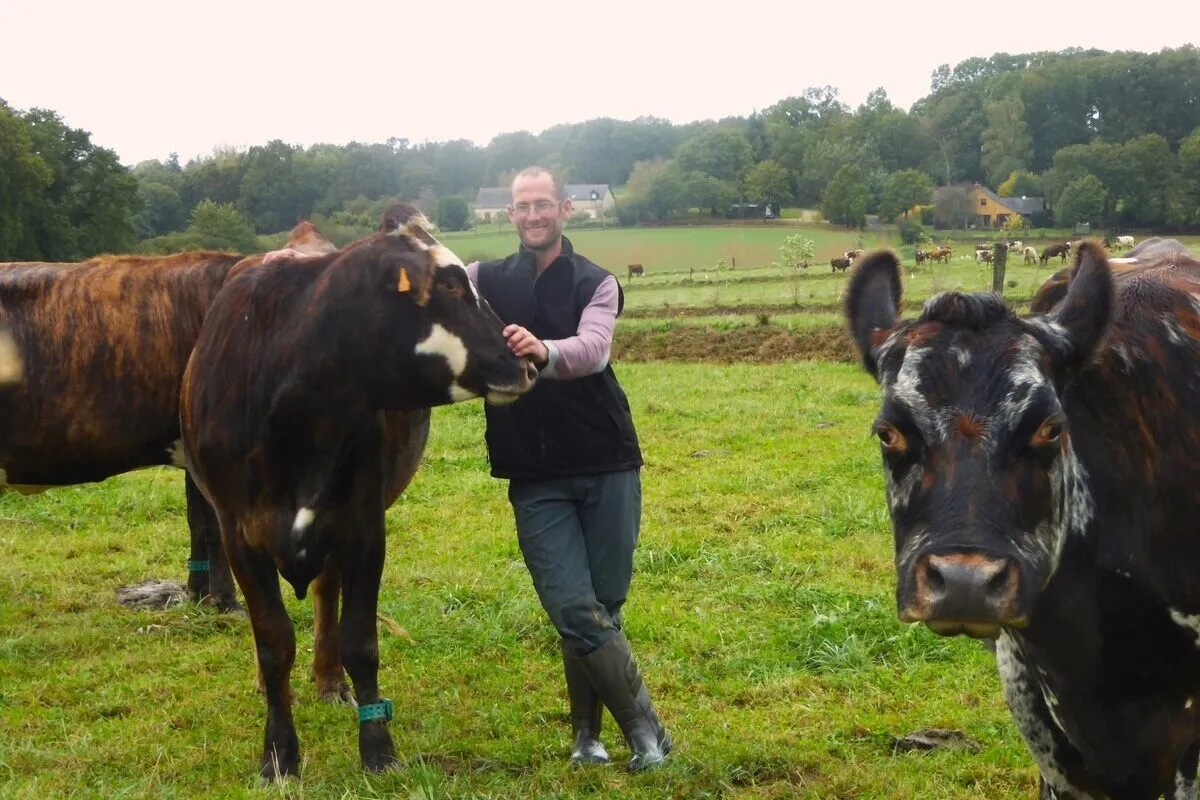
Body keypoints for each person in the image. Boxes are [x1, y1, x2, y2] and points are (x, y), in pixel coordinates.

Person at [465, 166, 672, 772]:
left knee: (600, 607)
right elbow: (431, 289)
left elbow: (594, 349)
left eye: (544, 206)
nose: (534, 216)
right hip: (533, 472)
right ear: (510, 215)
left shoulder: (597, 282)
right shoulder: (481, 281)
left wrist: (544, 350)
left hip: (606, 461)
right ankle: (648, 733)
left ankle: (587, 736)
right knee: (572, 605)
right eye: (523, 207)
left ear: (564, 210)